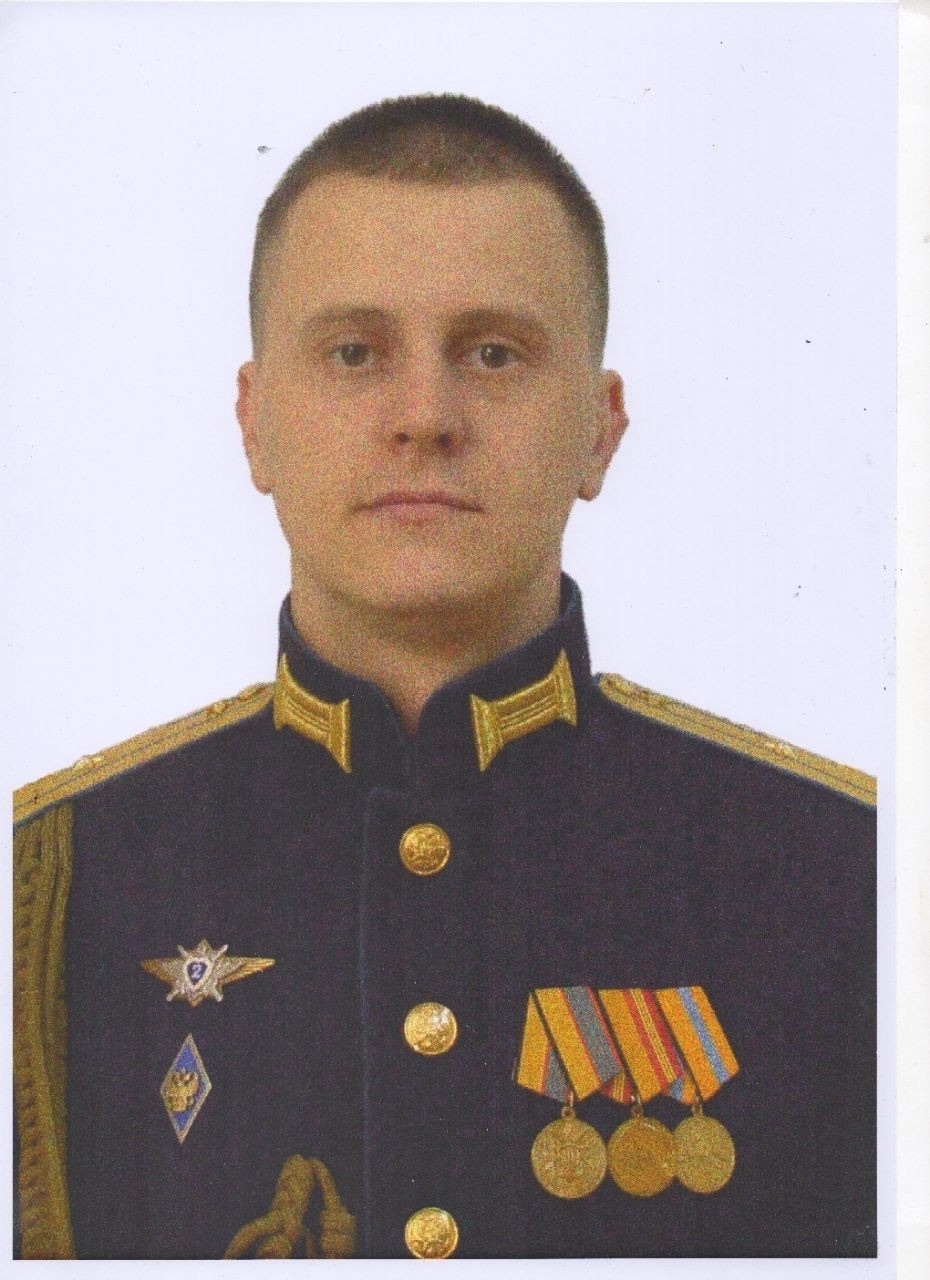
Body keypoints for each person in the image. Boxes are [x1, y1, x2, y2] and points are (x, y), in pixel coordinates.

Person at [12, 94, 876, 1261]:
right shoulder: (57, 882)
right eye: (355, 352)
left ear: (601, 427)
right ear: (255, 422)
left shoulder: (849, 872)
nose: (425, 417)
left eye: (493, 352)